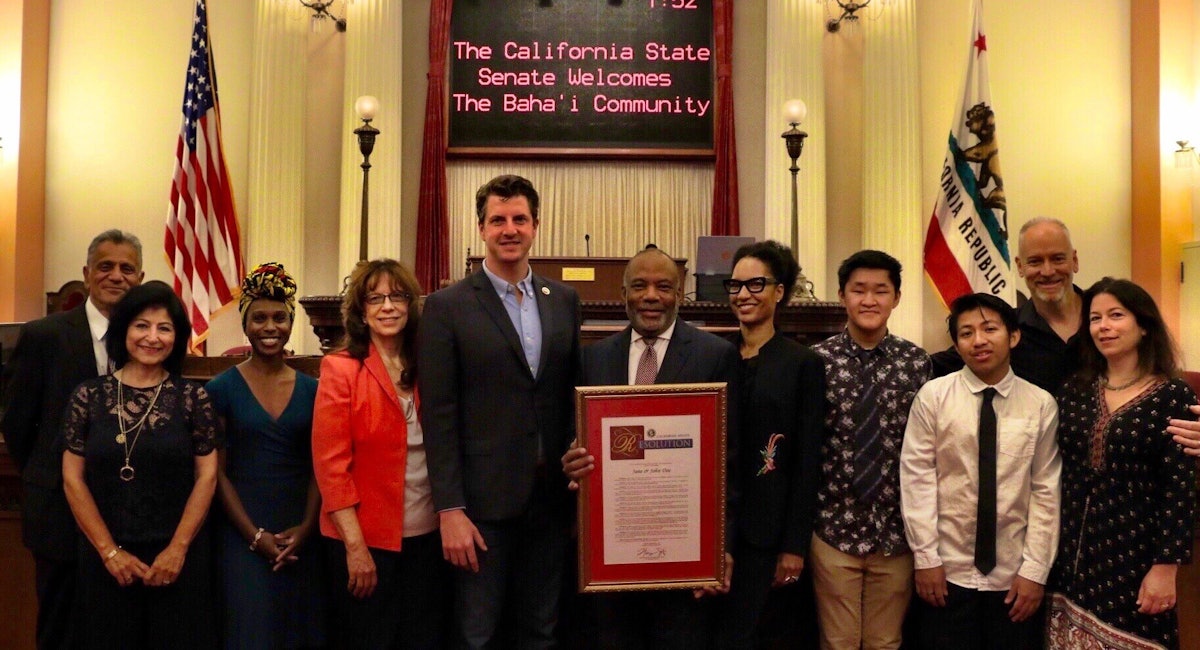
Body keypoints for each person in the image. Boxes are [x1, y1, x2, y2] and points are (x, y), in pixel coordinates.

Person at [419, 175, 581, 649]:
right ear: (481, 228)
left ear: (535, 225)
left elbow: (571, 395)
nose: (509, 229)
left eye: (519, 219)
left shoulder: (564, 301)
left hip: (550, 502)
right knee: (478, 634)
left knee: (541, 631)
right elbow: (440, 415)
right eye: (498, 220)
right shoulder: (447, 307)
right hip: (480, 508)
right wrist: (450, 509)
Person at [561, 245, 739, 649]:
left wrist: (721, 547)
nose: (651, 295)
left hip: (685, 554)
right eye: (639, 286)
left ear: (679, 294)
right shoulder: (594, 360)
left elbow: (729, 461)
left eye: (664, 286)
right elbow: (575, 440)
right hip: (613, 556)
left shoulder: (716, 356)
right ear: (623, 294)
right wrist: (570, 461)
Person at [0, 229, 144, 650]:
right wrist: (51, 475)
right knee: (61, 629)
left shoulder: (149, 340)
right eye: (105, 266)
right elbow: (18, 423)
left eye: (126, 268)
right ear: (86, 274)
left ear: (140, 277)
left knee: (117, 630)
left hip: (129, 515)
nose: (116, 276)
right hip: (58, 517)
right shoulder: (45, 336)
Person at [60, 280, 219, 649]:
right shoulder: (88, 395)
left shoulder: (193, 398)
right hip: (105, 561)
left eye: (164, 328)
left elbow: (207, 476)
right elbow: (72, 479)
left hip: (178, 561)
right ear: (124, 330)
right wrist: (110, 553)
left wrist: (177, 549)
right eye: (142, 326)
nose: (152, 337)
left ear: (177, 337)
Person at [900, 292, 1060, 650]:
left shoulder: (1040, 404)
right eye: (967, 333)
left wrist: (1035, 571)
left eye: (990, 329)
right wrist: (926, 558)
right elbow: (917, 480)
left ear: (1013, 336)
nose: (979, 340)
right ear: (956, 345)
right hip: (946, 572)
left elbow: (1046, 491)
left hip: (1014, 577)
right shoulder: (932, 397)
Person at [1045, 278, 1196, 649]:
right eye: (1095, 318)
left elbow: (1180, 488)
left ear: (1143, 325)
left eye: (1116, 315)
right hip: (1072, 556)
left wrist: (1166, 566)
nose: (1104, 326)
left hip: (1138, 555)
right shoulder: (1076, 390)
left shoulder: (1172, 395)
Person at [312, 258, 448, 649]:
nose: (387, 306)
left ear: (411, 304)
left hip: (427, 541)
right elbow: (331, 469)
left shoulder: (429, 365)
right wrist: (356, 549)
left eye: (397, 296)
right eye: (375, 298)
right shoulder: (340, 369)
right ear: (361, 310)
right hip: (364, 544)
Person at [809, 250, 931, 650]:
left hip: (895, 533)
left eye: (881, 290)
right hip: (832, 529)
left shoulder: (917, 364)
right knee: (838, 642)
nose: (869, 300)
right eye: (858, 290)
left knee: (885, 643)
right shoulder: (816, 362)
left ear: (896, 298)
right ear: (842, 295)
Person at [709, 241, 824, 649]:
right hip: (712, 527)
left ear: (780, 291)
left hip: (767, 532)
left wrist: (794, 546)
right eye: (735, 285)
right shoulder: (712, 354)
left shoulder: (802, 363)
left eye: (756, 284)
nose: (743, 295)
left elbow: (807, 461)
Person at [208, 262, 326, 649]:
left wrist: (307, 528)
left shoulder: (315, 390)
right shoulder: (220, 389)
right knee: (251, 631)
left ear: (292, 322)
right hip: (241, 531)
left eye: (279, 317)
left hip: (301, 532)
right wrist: (254, 536)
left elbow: (319, 466)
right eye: (259, 318)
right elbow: (216, 474)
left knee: (299, 632)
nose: (270, 327)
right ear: (245, 324)